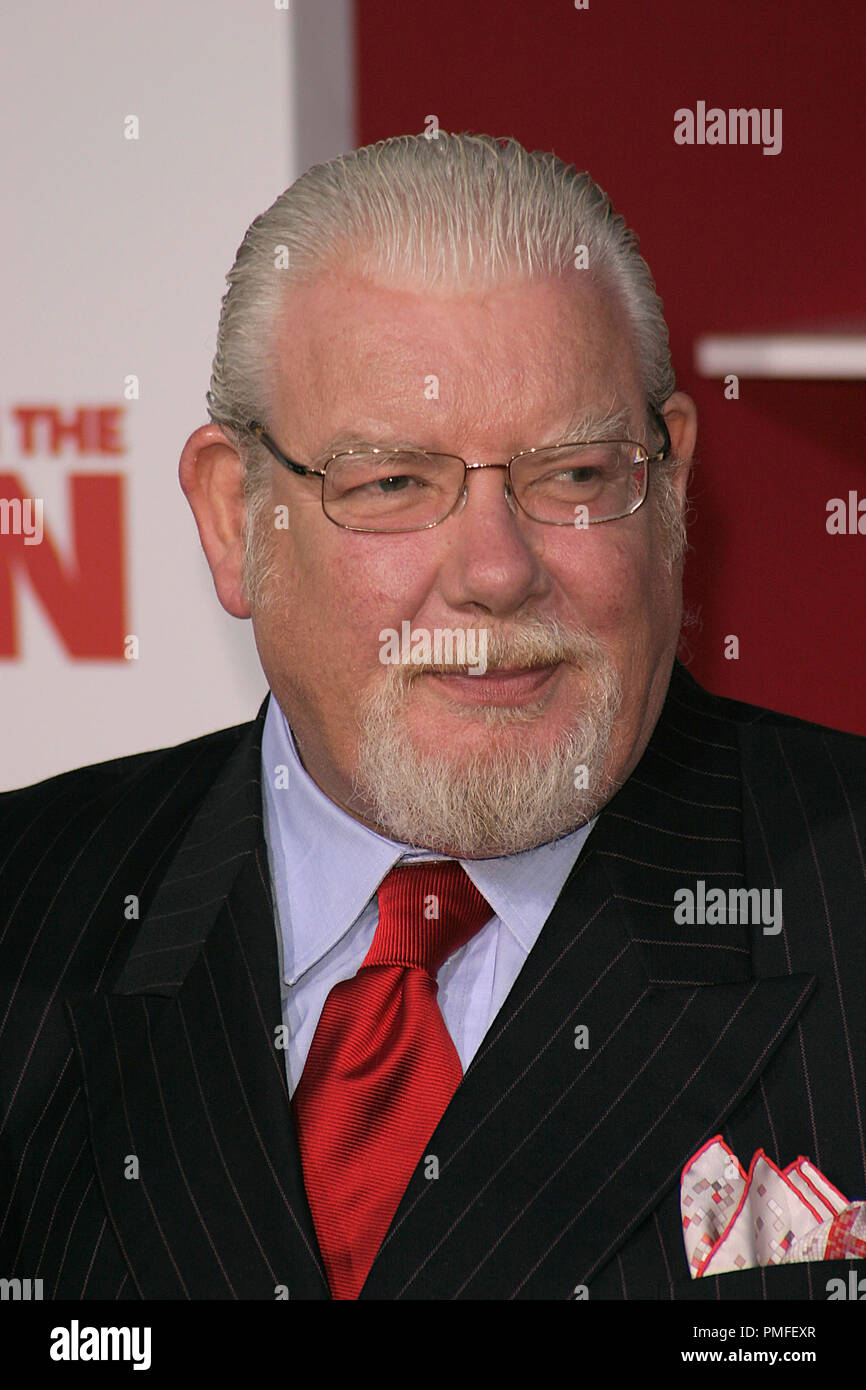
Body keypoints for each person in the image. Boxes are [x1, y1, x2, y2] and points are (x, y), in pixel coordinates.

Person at [1, 133, 864, 1302]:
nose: (496, 573)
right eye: (392, 483)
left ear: (666, 488)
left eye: (570, 474)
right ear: (230, 517)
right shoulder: (27, 909)